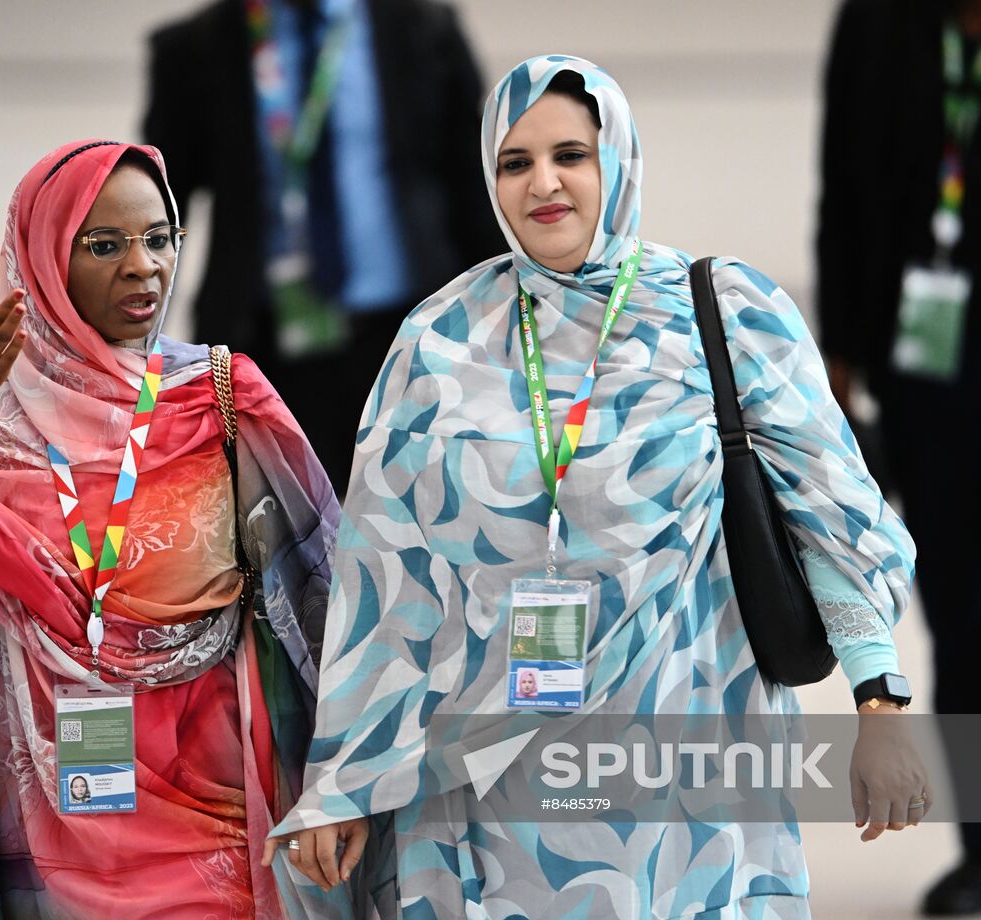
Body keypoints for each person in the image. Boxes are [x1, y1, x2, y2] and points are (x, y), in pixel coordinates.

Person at [261, 56, 929, 917]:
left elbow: (822, 523)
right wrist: (348, 777)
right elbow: (386, 576)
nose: (545, 183)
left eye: (571, 154)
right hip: (491, 784)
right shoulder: (439, 340)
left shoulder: (722, 314)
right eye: (515, 161)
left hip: (693, 776)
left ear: (617, 158)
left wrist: (880, 701)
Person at [0, 139, 348, 919]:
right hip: (46, 830)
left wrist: (342, 779)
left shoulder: (220, 399)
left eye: (159, 238)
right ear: (42, 258)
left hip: (210, 819)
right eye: (104, 245)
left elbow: (327, 598)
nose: (143, 265)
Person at [817, 1, 981, 913]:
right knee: (958, 609)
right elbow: (844, 179)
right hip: (923, 365)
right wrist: (838, 352)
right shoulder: (880, 23)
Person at [141, 0, 504, 493]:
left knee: (425, 516)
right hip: (264, 352)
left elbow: (473, 193)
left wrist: (507, 329)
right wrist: (131, 350)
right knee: (276, 542)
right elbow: (159, 210)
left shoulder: (421, 27)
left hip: (413, 339)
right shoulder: (197, 46)